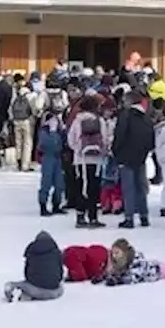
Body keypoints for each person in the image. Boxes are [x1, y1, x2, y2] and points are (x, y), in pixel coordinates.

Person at [112, 90, 155, 229]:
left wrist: (116, 151)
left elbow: (120, 135)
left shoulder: (125, 116)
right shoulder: (146, 117)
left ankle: (129, 217)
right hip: (141, 156)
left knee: (128, 188)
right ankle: (144, 216)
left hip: (126, 155)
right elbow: (151, 137)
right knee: (141, 187)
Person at [68, 95, 109, 229]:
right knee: (94, 188)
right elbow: (105, 139)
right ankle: (93, 217)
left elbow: (71, 139)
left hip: (81, 160)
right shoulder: (100, 120)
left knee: (81, 188)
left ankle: (80, 217)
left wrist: (77, 150)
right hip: (96, 161)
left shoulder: (77, 121)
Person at [4, 231, 64, 302]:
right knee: (61, 288)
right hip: (55, 291)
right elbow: (60, 272)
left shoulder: (32, 251)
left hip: (35, 289)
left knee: (24, 284)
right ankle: (29, 295)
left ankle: (18, 290)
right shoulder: (57, 252)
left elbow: (27, 272)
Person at [36, 106, 67, 216]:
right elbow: (49, 144)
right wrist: (53, 132)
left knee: (60, 183)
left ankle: (56, 204)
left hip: (58, 158)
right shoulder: (44, 132)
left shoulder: (59, 131)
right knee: (46, 182)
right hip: (48, 157)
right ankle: (43, 206)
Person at [9, 75, 37, 172]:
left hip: (16, 120)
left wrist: (12, 118)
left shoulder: (16, 95)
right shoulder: (31, 95)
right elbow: (34, 109)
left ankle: (18, 162)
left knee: (18, 142)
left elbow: (11, 107)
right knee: (27, 143)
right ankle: (25, 165)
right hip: (27, 121)